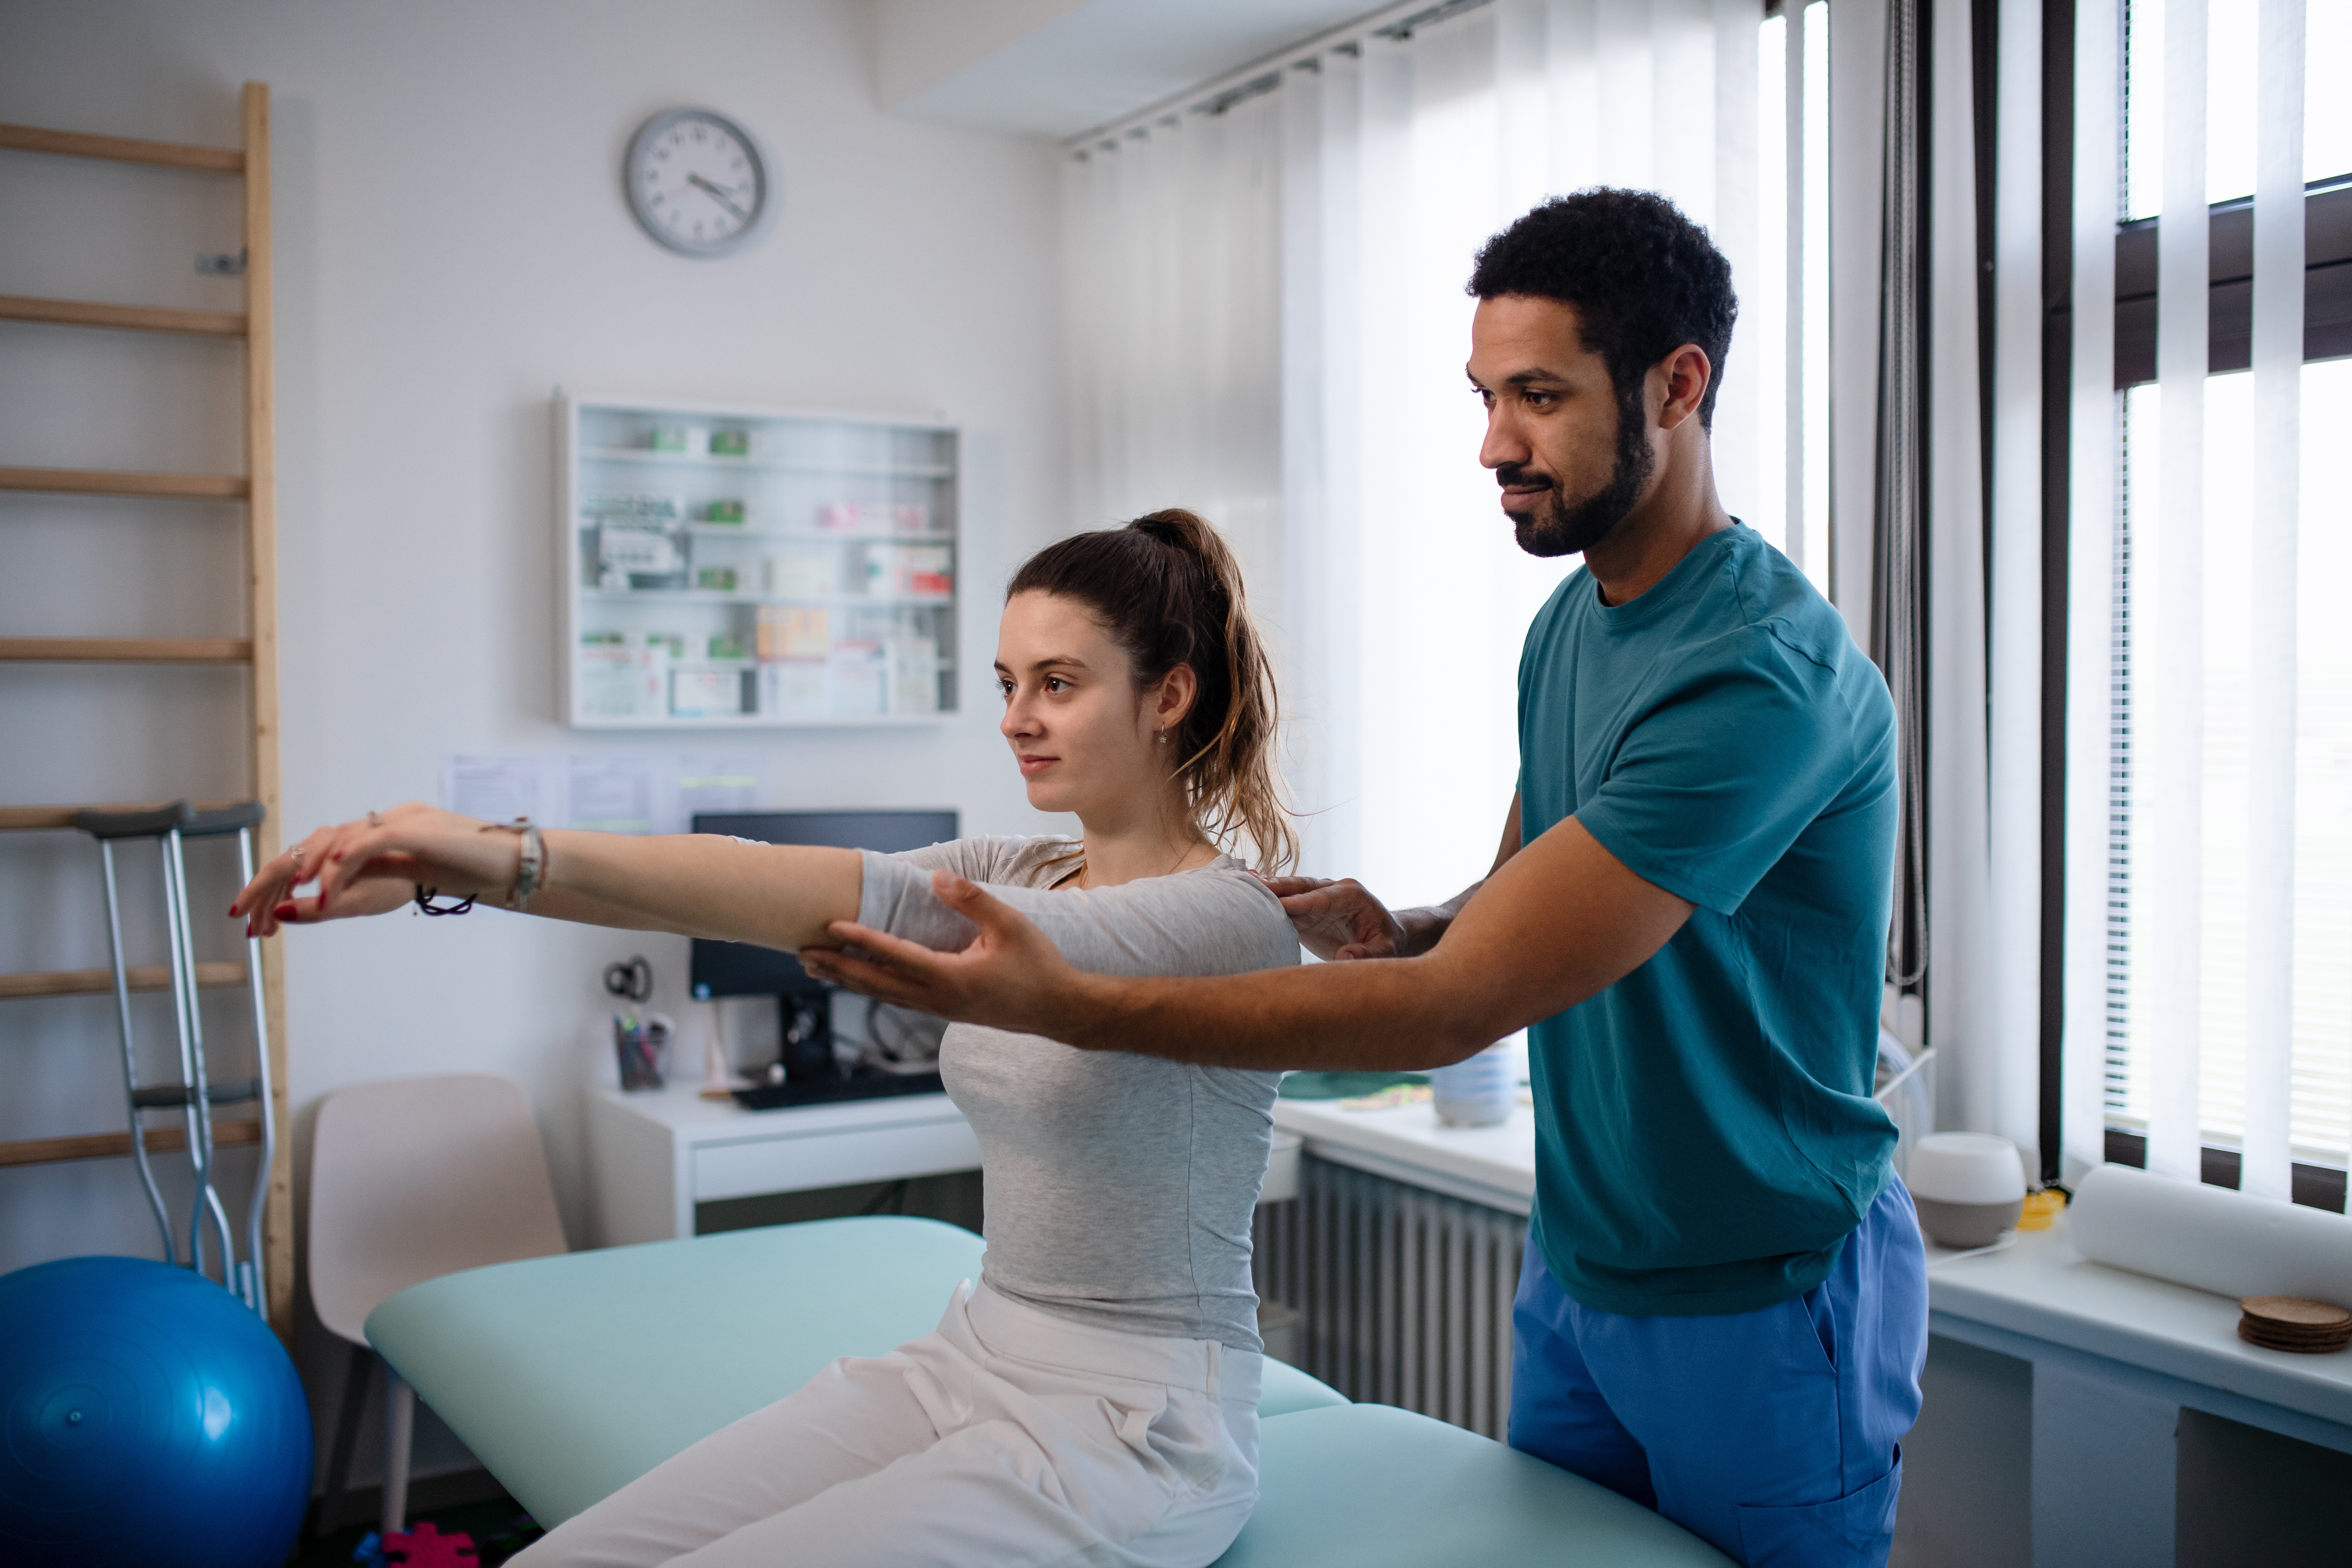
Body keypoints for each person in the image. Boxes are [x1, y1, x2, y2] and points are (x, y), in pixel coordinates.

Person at [799, 190, 1928, 1568]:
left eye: (1535, 398)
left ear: (1676, 385)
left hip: (1759, 1285)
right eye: (1480, 394)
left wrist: (1069, 1001)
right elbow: (1510, 900)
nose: (1491, 444)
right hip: (1584, 1264)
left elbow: (1463, 1008)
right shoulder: (1568, 624)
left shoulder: (1757, 673)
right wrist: (1397, 927)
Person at [231, 511, 1305, 1568]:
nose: (1017, 716)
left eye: (1057, 684)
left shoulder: (1225, 917)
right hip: (972, 1356)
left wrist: (481, 846)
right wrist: (438, 871)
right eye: (1006, 683)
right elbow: (746, 891)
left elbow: (838, 891)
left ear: (1168, 695)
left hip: (1136, 1428)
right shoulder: (1025, 869)